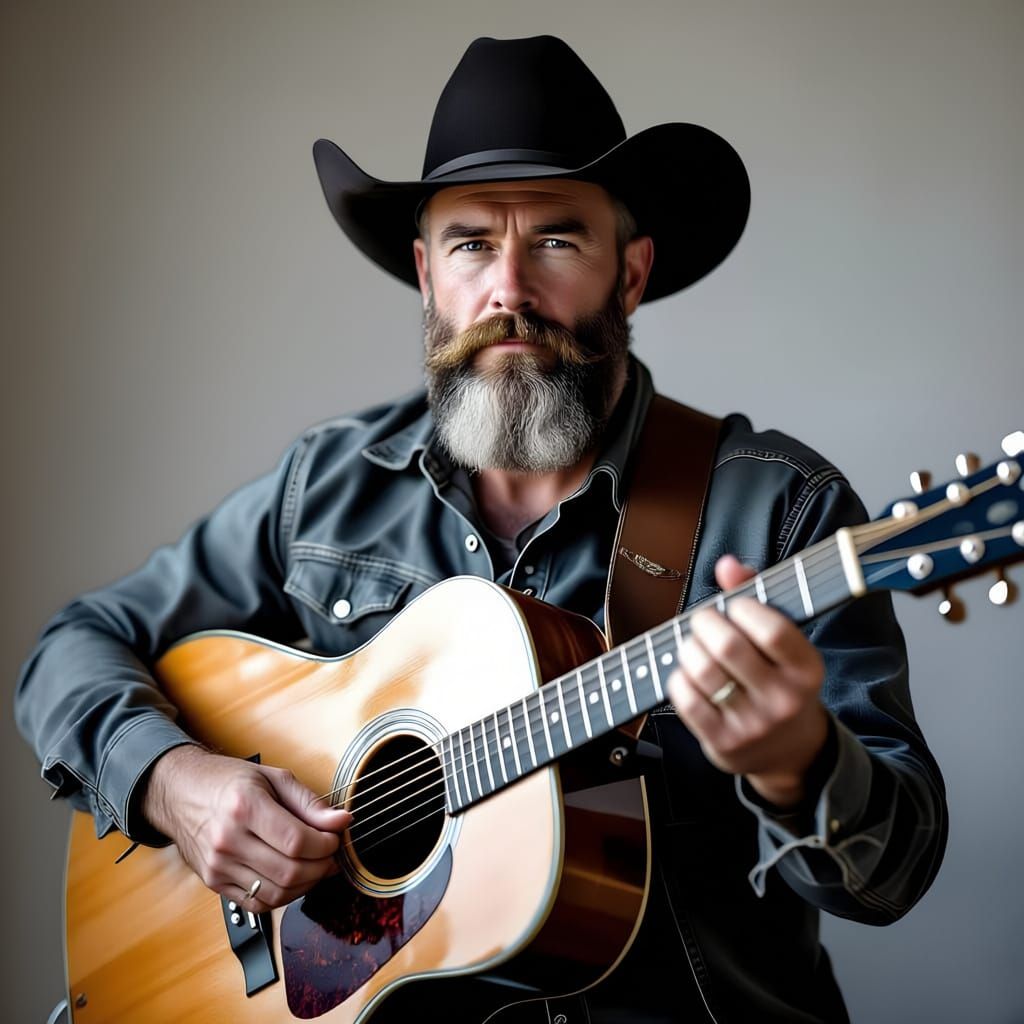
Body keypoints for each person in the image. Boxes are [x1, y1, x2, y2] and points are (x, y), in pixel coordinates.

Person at [16, 35, 946, 1023]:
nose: (508, 291)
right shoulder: (328, 485)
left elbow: (889, 880)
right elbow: (72, 648)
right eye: (470, 243)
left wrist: (799, 757)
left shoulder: (779, 513)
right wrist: (173, 782)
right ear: (425, 273)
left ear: (628, 275)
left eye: (555, 240)